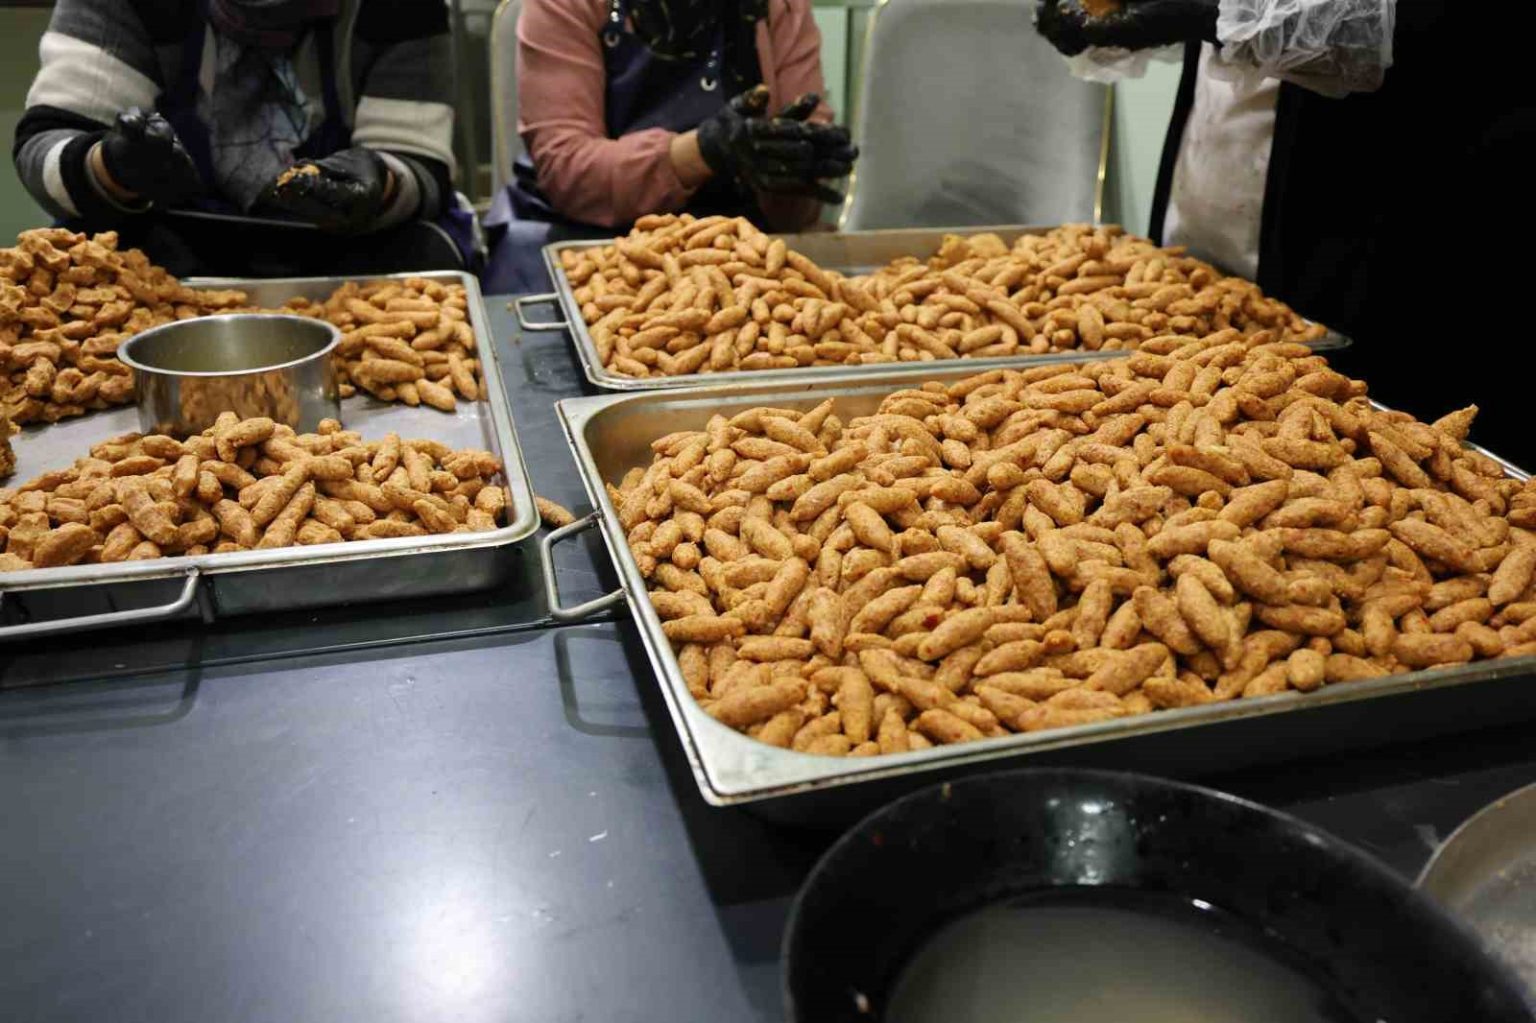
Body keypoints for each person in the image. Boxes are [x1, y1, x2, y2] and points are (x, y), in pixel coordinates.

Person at [1036, 0, 1536, 467]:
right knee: (1196, 362)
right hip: (1212, 182)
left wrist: (1214, 13)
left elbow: (1412, 27)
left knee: (1359, 420)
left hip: (1371, 194)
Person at [12, 0, 472, 278]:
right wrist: (110, 168)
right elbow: (46, 143)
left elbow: (419, 165)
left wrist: (380, 184)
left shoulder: (400, 9)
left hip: (343, 254)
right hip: (168, 252)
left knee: (426, 249)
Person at [484, 0, 858, 293]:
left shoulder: (778, 7)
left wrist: (795, 166)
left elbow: (793, 213)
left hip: (735, 253)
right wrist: (705, 150)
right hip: (581, 241)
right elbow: (568, 167)